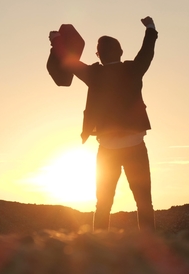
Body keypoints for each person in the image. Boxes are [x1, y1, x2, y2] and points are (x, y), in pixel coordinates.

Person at [48, 17, 158, 231]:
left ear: (99, 55)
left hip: (107, 149)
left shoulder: (94, 74)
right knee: (144, 201)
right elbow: (147, 51)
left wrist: (56, 39)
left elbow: (67, 60)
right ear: (121, 52)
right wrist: (150, 29)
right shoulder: (133, 70)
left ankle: (98, 243)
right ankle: (148, 242)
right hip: (135, 147)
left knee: (103, 203)